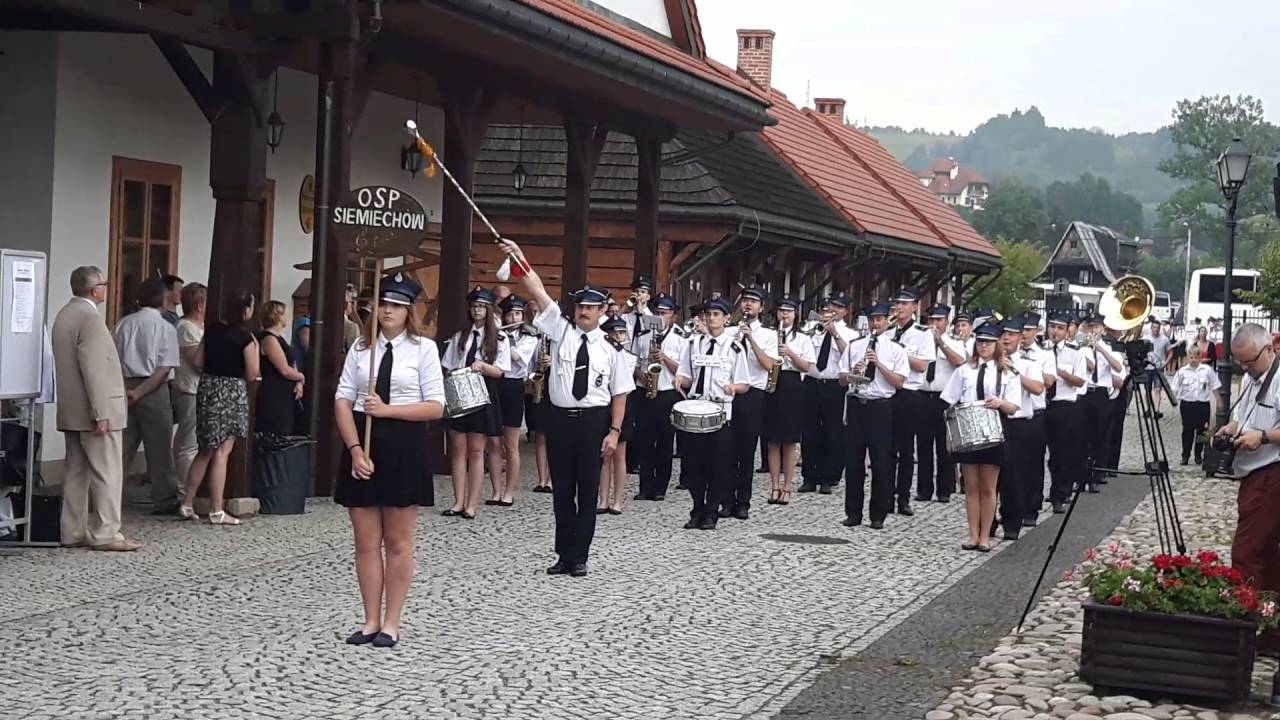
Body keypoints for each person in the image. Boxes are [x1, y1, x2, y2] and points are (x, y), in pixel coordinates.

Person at [498, 238, 633, 576]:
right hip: (560, 419)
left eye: (591, 307)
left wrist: (614, 432)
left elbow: (620, 395)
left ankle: (581, 555)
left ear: (603, 311)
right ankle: (563, 553)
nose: (583, 312)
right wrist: (520, 256)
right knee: (562, 491)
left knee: (587, 491)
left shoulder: (611, 350)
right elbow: (538, 291)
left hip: (593, 420)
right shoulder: (562, 331)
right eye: (580, 306)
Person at [333, 273, 444, 649]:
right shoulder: (362, 349)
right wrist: (354, 449)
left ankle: (392, 621)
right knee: (365, 541)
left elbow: (435, 405)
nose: (387, 311)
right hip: (365, 445)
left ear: (408, 309)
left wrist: (389, 410)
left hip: (404, 444)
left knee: (397, 541)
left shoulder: (423, 350)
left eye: (395, 305)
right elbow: (342, 399)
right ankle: (369, 619)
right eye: (382, 304)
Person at [52, 266, 140, 551]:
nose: (106, 288)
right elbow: (94, 370)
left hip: (72, 409)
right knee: (106, 471)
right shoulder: (90, 319)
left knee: (76, 472)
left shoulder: (64, 315)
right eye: (103, 283)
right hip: (95, 410)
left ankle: (72, 530)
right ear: (95, 289)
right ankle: (106, 533)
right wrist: (101, 412)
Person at [1215, 323, 1280, 656]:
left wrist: (1264, 437)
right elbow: (1244, 417)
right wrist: (1230, 428)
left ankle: (1245, 622)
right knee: (1268, 556)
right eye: (1239, 363)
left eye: (1249, 362)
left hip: (1272, 473)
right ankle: (1270, 630)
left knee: (1246, 553)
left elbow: (1267, 428)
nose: (1245, 368)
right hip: (1253, 475)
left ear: (1269, 348)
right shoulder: (1251, 378)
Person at [941, 322, 1023, 551]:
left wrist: (1000, 403)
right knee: (971, 486)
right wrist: (950, 437)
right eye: (980, 342)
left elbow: (1014, 407)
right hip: (968, 432)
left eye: (988, 342)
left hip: (993, 431)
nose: (983, 346)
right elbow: (950, 401)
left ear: (997, 344)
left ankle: (986, 535)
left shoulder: (1008, 372)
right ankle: (972, 534)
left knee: (989, 487)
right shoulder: (965, 370)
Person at [179, 290, 258, 525]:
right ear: (246, 311)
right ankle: (216, 509)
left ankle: (186, 502)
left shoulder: (212, 330)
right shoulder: (245, 337)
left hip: (208, 387)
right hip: (231, 390)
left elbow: (198, 362)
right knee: (223, 451)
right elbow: (253, 373)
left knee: (205, 450)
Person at [675, 296, 750, 530]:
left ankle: (711, 511)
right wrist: (680, 380)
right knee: (694, 465)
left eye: (716, 314)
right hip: (696, 409)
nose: (711, 318)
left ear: (726, 318)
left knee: (718, 466)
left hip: (721, 412)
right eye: (708, 314)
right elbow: (687, 374)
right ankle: (697, 507)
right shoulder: (693, 344)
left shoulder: (734, 347)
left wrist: (733, 388)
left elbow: (744, 383)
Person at [440, 287, 510, 519]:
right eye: (474, 306)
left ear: (488, 310)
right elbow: (449, 365)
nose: (477, 310)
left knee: (477, 449)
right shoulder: (460, 335)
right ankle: (458, 501)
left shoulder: (499, 336)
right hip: (460, 391)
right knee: (458, 449)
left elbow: (501, 371)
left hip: (483, 390)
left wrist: (483, 366)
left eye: (481, 307)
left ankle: (472, 504)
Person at [113, 278, 181, 514]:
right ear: (163, 299)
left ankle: (110, 498)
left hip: (124, 384)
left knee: (121, 447)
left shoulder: (123, 324)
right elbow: (164, 368)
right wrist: (141, 392)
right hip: (154, 388)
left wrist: (126, 390)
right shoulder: (165, 328)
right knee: (160, 447)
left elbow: (113, 360)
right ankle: (165, 498)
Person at [839, 303, 907, 529]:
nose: (875, 324)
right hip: (859, 403)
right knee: (853, 460)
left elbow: (898, 383)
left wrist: (878, 364)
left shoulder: (896, 349)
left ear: (887, 321)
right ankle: (853, 513)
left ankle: (878, 514)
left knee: (881, 462)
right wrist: (853, 374)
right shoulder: (855, 346)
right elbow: (841, 379)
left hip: (881, 407)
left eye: (879, 320)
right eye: (872, 320)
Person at [723, 286, 778, 520]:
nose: (748, 305)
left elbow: (769, 365)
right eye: (745, 301)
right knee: (726, 450)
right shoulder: (728, 331)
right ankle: (725, 500)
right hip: (729, 392)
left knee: (747, 451)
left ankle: (743, 501)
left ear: (761, 308)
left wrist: (751, 339)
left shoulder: (768, 335)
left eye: (753, 302)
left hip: (754, 394)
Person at [632, 293, 686, 501]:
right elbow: (634, 363)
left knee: (664, 442)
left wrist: (664, 358)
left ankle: (660, 487)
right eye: (657, 312)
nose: (660, 316)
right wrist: (641, 376)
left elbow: (684, 370)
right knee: (644, 440)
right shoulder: (643, 335)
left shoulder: (680, 338)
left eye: (664, 313)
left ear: (672, 316)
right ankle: (645, 486)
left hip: (668, 392)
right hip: (646, 390)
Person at [800, 295, 856, 494]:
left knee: (833, 432)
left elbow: (849, 355)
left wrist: (835, 334)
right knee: (809, 431)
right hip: (812, 382)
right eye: (831, 306)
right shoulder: (813, 327)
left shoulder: (849, 333)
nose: (833, 310)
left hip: (834, 385)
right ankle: (809, 476)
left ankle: (828, 477)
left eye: (838, 307)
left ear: (845, 312)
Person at [887, 288, 936, 516]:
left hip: (909, 393)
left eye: (905, 304)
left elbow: (922, 366)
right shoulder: (888, 330)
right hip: (888, 392)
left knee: (906, 450)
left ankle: (903, 497)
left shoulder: (922, 333)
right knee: (886, 448)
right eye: (898, 303)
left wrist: (899, 352)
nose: (900, 308)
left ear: (915, 307)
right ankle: (884, 495)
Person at [997, 318, 1044, 541]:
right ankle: (987, 522)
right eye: (1003, 334)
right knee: (990, 476)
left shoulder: (1028, 362)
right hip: (993, 422)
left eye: (1012, 334)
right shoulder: (989, 361)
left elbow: (1037, 388)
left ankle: (1011, 522)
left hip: (1018, 422)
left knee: (1014, 476)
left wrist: (1014, 370)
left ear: (1020, 338)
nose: (1006, 338)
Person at [765, 296, 814, 506]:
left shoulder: (802, 338)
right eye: (781, 311)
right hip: (772, 380)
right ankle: (774, 485)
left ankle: (788, 487)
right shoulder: (770, 335)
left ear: (795, 315)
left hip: (792, 383)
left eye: (789, 311)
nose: (784, 315)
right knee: (773, 439)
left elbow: (806, 367)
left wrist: (790, 352)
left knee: (790, 440)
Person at [920, 304, 968, 503]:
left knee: (944, 447)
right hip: (923, 395)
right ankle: (924, 489)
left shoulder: (954, 342)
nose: (934, 324)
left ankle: (944, 489)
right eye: (931, 320)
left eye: (938, 320)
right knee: (923, 445)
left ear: (947, 323)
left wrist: (940, 343)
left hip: (944, 397)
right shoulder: (921, 340)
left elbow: (959, 362)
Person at [496, 294, 538, 506]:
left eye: (518, 313)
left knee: (511, 444)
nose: (514, 317)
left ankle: (509, 491)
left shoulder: (529, 337)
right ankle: (495, 490)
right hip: (495, 383)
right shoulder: (494, 334)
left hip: (513, 385)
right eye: (510, 314)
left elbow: (513, 357)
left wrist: (499, 338)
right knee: (493, 442)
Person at [1045, 311, 1089, 513]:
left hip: (1064, 406)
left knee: (1061, 454)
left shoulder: (1075, 352)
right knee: (1037, 455)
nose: (1055, 331)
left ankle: (1059, 494)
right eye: (1052, 327)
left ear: (1067, 331)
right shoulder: (1039, 350)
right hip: (1043, 405)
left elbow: (1079, 381)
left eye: (1059, 328)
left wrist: (1057, 371)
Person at [1080, 314, 1124, 492]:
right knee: (1084, 437)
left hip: (1101, 393)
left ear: (1103, 330)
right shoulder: (1081, 349)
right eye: (1090, 328)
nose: (1093, 331)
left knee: (1101, 435)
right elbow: (1089, 367)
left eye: (1097, 328)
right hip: (1085, 392)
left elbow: (1118, 368)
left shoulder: (1109, 349)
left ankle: (1098, 474)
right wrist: (1086, 348)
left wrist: (1100, 349)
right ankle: (1082, 475)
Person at [1019, 312, 1055, 525]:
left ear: (1036, 331)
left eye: (1028, 330)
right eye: (1021, 330)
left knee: (1034, 463)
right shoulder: (1007, 354)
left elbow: (1049, 381)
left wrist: (1028, 371)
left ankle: (1032, 507)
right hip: (1013, 414)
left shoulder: (1044, 355)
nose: (1024, 334)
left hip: (1035, 413)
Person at [597, 318, 635, 515]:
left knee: (620, 455)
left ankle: (618, 500)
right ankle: (603, 499)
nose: (619, 337)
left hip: (622, 404)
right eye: (615, 334)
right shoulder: (603, 352)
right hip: (604, 404)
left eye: (621, 334)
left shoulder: (627, 356)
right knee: (604, 456)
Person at [172, 282, 206, 488]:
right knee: (188, 441)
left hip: (200, 389)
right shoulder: (186, 328)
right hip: (189, 389)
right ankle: (185, 486)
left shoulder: (200, 327)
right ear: (199, 305)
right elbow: (198, 363)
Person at [255, 300, 305, 437]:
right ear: (277, 316)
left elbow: (291, 363)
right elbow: (284, 369)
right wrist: (301, 377)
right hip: (274, 393)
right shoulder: (269, 339)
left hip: (285, 394)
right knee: (276, 431)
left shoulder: (279, 338)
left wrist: (298, 383)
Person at [1172, 345, 1220, 465]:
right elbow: (1175, 388)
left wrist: (1219, 401)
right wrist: (1173, 400)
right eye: (1191, 357)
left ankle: (1198, 455)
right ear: (1188, 358)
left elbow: (1214, 386)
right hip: (1187, 404)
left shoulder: (1207, 370)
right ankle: (1185, 455)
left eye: (1196, 357)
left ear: (1200, 358)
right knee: (1187, 430)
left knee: (1202, 431)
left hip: (1202, 404)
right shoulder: (1182, 372)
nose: (1193, 360)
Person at [523, 297, 553, 494]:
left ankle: (551, 479)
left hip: (557, 387)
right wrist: (539, 365)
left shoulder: (560, 337)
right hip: (541, 383)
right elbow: (530, 365)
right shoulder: (537, 338)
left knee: (555, 437)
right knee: (540, 435)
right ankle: (541, 479)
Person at [1145, 317, 1172, 418]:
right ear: (1151, 328)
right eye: (1154, 327)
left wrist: (1165, 363)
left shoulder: (1165, 339)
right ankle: (1149, 408)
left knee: (1157, 389)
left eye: (1157, 327)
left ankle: (1156, 410)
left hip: (1159, 368)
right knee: (1147, 389)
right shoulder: (1146, 339)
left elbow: (1170, 352)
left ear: (1160, 328)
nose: (1156, 329)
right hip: (1147, 367)